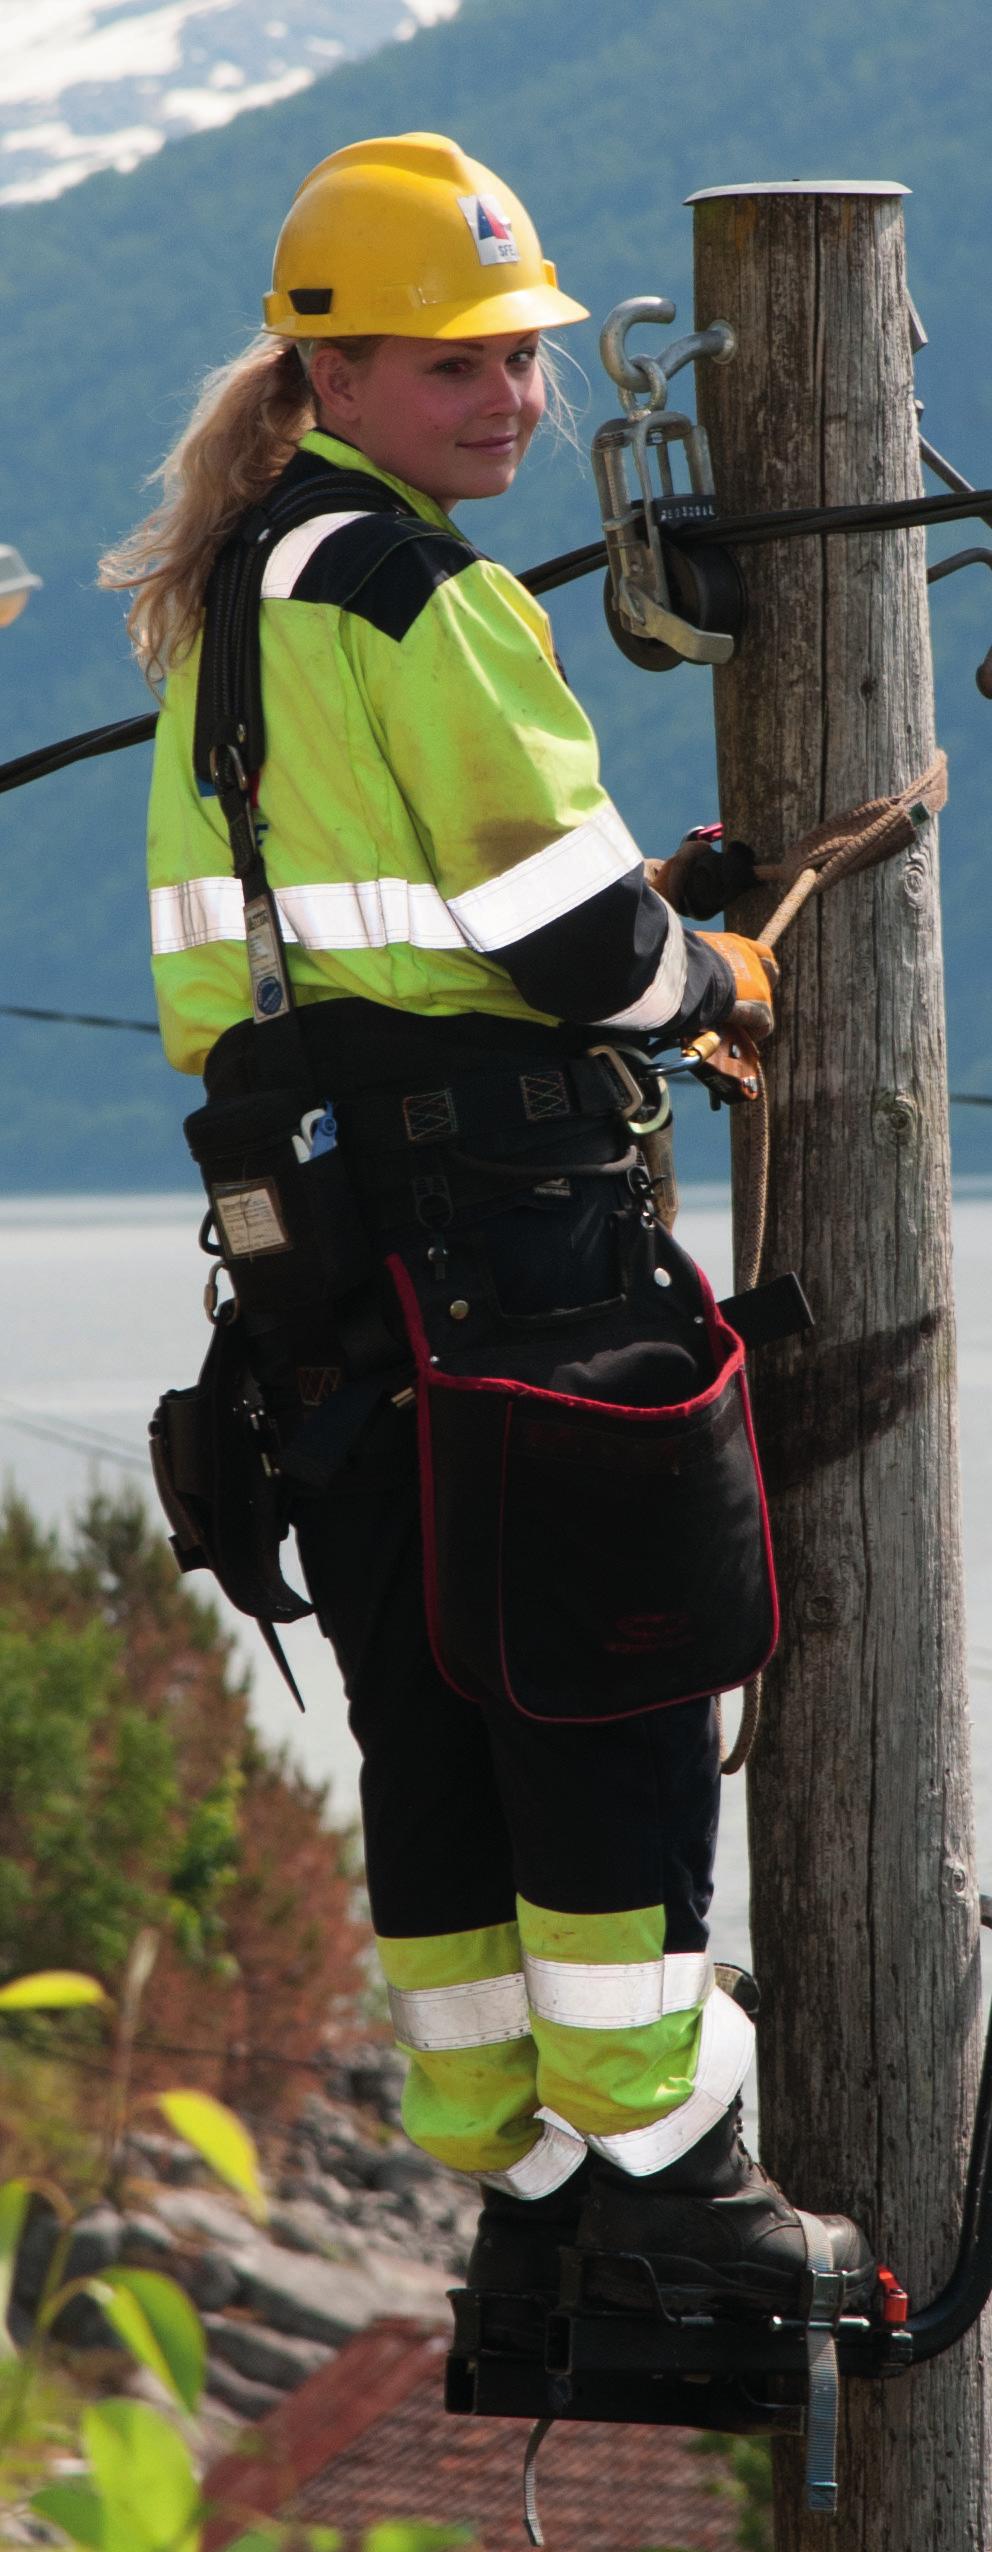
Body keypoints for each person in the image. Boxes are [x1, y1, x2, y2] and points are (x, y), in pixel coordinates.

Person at [103, 130, 872, 2341]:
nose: (513, 401)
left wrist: (628, 938)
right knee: (616, 1692)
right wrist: (705, 980)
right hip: (513, 1255)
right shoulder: (414, 593)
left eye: (523, 361)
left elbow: (347, 948)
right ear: (332, 372)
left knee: (438, 1719)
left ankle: (523, 2194)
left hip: (324, 1275)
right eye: (463, 367)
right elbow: (559, 936)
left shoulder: (226, 596)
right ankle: (675, 2183)